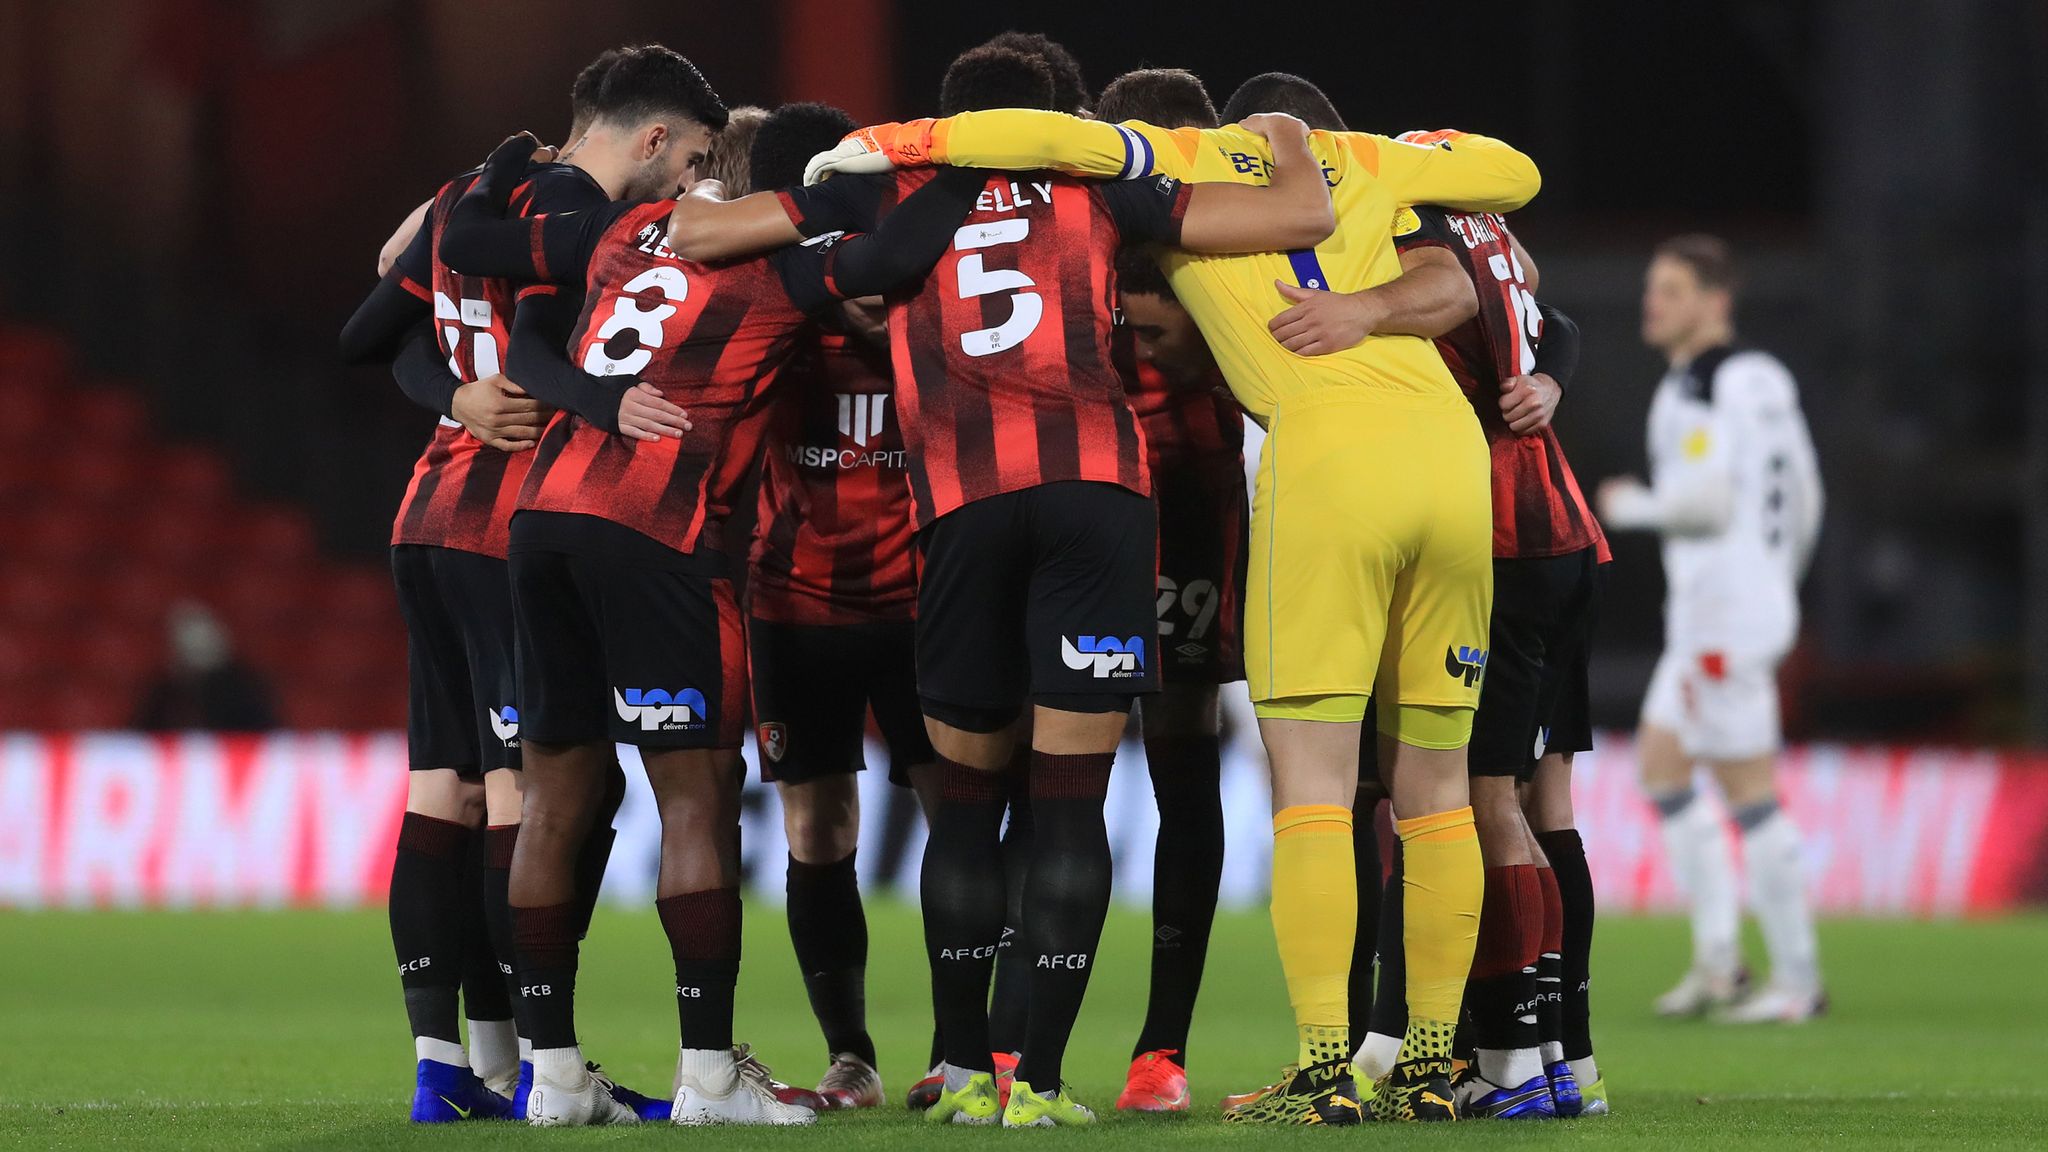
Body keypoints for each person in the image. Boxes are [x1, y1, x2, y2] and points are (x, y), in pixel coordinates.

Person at [806, 88, 1540, 1124]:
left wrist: (898, 141)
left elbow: (1055, 138)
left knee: (1315, 790)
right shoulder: (1378, 162)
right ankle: (1426, 1065)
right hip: (1451, 461)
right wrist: (1407, 146)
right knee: (1434, 785)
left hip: (1329, 457)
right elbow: (1515, 174)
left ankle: (1324, 1067)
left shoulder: (1186, 162)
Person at [655, 46, 1338, 1129]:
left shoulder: (892, 175)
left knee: (963, 809)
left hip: (961, 503)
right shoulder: (1098, 177)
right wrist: (1290, 140)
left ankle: (963, 1065)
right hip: (1099, 498)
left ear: (950, 118)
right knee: (1070, 801)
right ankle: (1046, 1080)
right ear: (1057, 116)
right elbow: (1300, 219)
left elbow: (700, 234)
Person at [436, 98, 988, 1123]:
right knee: (693, 804)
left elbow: (491, 276)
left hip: (542, 524)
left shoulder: (618, 235)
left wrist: (492, 166)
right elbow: (898, 245)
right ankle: (705, 1077)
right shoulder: (779, 266)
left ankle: (550, 1080)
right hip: (657, 537)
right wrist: (953, 158)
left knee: (554, 801)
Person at [335, 44, 689, 1125]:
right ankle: (544, 1068)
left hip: (423, 522)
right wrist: (511, 400)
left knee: (439, 788)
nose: (679, 187)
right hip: (506, 524)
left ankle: (455, 1068)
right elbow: (531, 338)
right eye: (685, 161)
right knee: (526, 799)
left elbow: (367, 336)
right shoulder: (580, 221)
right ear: (655, 136)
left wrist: (448, 396)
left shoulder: (463, 198)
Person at [742, 101, 934, 1111]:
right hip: (794, 604)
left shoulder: (921, 262)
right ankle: (849, 1056)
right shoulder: (767, 281)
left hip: (921, 596)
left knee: (963, 815)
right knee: (816, 831)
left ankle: (960, 1048)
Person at [1600, 234, 1826, 1023]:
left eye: (1670, 289)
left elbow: (1709, 503)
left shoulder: (1708, 383)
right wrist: (1778, 582)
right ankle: (1720, 962)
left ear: (1714, 301)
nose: (1651, 303)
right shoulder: (1745, 380)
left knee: (1747, 792)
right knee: (1661, 770)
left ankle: (1798, 983)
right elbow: (1804, 493)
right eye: (1651, 287)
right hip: (1715, 615)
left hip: (1724, 618)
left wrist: (1632, 506)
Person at [130, 602, 278, 732]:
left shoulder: (245, 688)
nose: (195, 645)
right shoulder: (165, 690)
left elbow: (262, 738)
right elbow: (143, 739)